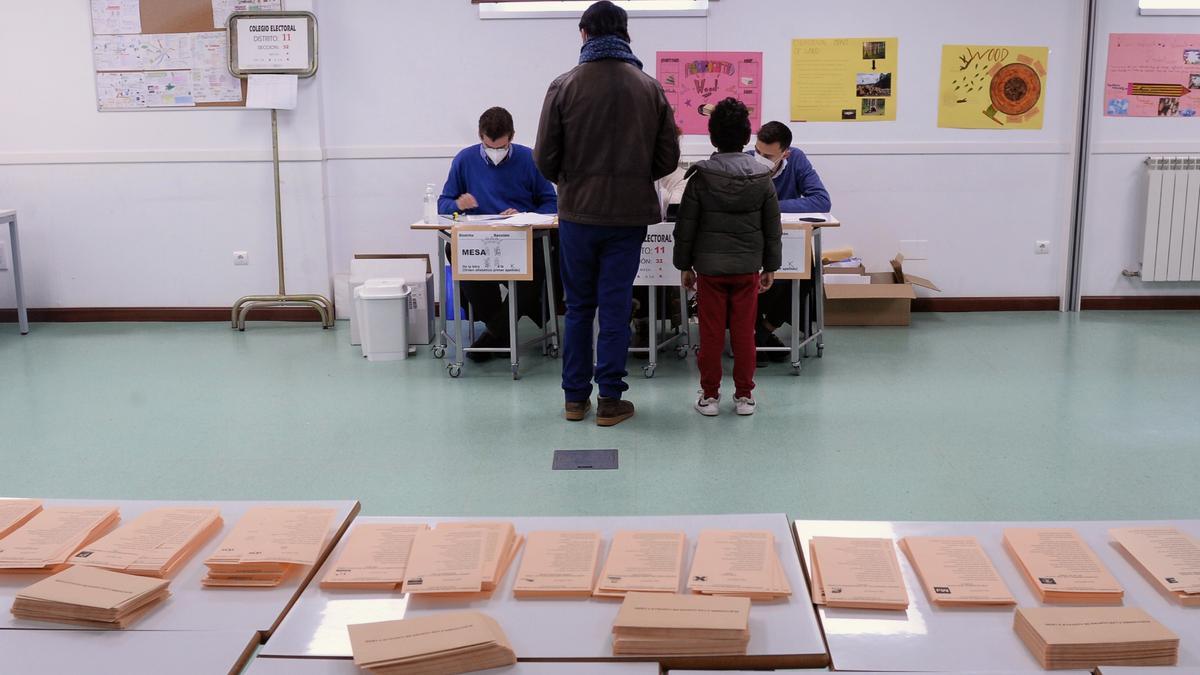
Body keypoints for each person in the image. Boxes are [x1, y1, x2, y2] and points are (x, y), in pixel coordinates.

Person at [535, 0, 680, 427]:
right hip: (628, 217)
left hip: (578, 214)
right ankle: (611, 402)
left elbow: (543, 159)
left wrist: (573, 180)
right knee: (615, 308)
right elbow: (667, 157)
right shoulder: (650, 88)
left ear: (584, 34)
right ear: (626, 34)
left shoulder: (563, 86)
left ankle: (574, 400)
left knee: (578, 308)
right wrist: (635, 176)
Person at [673, 98, 781, 417]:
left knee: (710, 334)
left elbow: (686, 227)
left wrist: (684, 265)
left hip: (710, 270)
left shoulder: (700, 177)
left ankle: (709, 397)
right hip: (747, 269)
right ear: (747, 137)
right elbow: (772, 227)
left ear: (712, 137)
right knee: (745, 333)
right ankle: (745, 396)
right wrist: (771, 266)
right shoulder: (763, 177)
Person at [438, 107, 558, 362]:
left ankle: (495, 334)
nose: (495, 152)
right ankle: (501, 332)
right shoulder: (464, 159)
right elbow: (442, 204)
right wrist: (458, 204)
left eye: (501, 146)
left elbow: (551, 203)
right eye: (489, 146)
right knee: (456, 252)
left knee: (536, 266)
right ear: (480, 136)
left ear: (511, 137)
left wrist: (524, 214)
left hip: (521, 238)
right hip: (479, 240)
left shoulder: (529, 159)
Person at [750, 121, 831, 364]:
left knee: (807, 272)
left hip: (787, 240)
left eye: (768, 156)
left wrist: (770, 207)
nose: (760, 159)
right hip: (751, 241)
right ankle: (754, 335)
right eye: (758, 152)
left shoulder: (796, 160)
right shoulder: (744, 160)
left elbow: (821, 201)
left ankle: (762, 332)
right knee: (742, 275)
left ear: (785, 153)